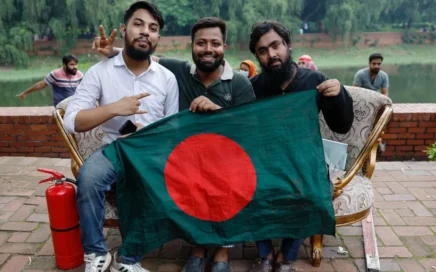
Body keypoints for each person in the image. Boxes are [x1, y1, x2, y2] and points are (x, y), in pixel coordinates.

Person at [95, 17, 255, 272]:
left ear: (224, 46)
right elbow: (144, 59)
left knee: (225, 175)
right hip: (186, 157)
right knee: (183, 173)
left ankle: (222, 250)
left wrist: (218, 112)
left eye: (215, 43)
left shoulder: (239, 83)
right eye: (201, 43)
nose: (208, 49)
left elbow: (248, 133)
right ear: (192, 45)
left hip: (227, 158)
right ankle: (199, 246)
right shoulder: (177, 71)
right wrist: (111, 52)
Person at [63, 2, 180, 272]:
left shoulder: (167, 78)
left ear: (158, 38)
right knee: (89, 178)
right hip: (114, 149)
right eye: (138, 24)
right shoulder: (100, 72)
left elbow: (171, 129)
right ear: (125, 29)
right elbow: (72, 121)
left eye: (153, 28)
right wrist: (115, 108)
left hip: (150, 151)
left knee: (149, 185)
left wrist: (150, 133)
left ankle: (128, 260)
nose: (145, 32)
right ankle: (95, 253)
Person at [247, 21, 354, 272]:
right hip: (268, 164)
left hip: (306, 163)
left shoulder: (315, 81)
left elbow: (342, 125)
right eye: (263, 50)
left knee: (315, 191)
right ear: (257, 57)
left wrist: (338, 94)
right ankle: (264, 254)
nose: (271, 54)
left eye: (276, 45)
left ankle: (287, 256)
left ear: (288, 45)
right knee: (245, 184)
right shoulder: (254, 88)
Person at [16, 54, 83, 106]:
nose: (75, 67)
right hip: (61, 105)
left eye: (76, 64)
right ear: (64, 65)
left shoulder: (79, 75)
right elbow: (40, 85)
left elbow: (85, 89)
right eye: (72, 65)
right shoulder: (56, 74)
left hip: (74, 104)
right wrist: (25, 93)